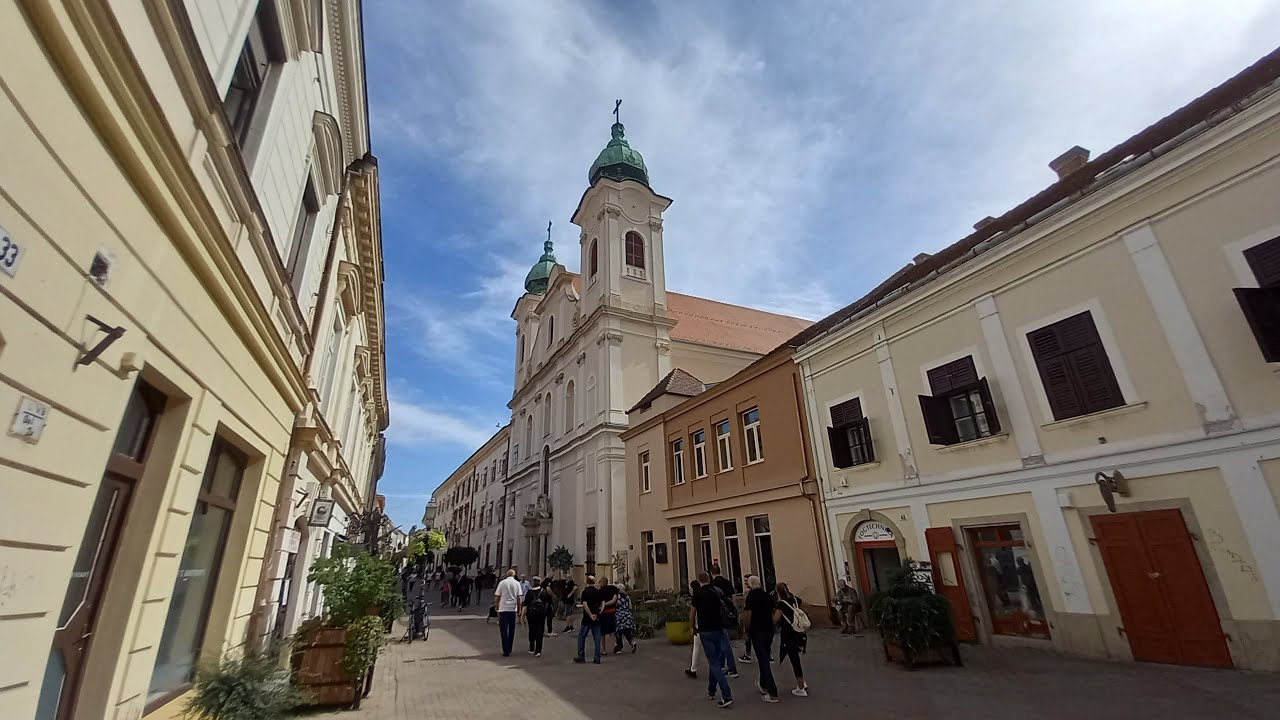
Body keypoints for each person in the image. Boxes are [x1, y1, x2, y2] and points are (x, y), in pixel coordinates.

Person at [691, 572, 734, 708]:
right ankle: (711, 689)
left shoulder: (697, 594)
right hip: (719, 629)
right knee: (716, 660)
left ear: (699, 580)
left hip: (705, 630)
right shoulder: (716, 591)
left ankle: (726, 694)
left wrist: (693, 627)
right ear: (709, 579)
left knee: (713, 662)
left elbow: (692, 613)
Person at [742, 575, 781, 702]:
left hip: (757, 631)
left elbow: (748, 615)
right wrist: (772, 623)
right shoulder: (767, 596)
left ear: (750, 584)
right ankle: (763, 685)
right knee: (764, 656)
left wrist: (747, 630)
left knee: (763, 661)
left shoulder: (751, 597)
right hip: (768, 631)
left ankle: (772, 692)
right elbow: (775, 610)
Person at [775, 582, 809, 697]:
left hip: (788, 633)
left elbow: (775, 619)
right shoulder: (795, 599)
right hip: (798, 631)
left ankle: (801, 686)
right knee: (795, 657)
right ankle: (802, 682)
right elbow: (806, 605)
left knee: (794, 659)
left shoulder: (781, 604)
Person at [708, 565, 739, 678]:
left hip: (718, 615)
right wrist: (733, 611)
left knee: (723, 642)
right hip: (727, 614)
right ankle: (722, 665)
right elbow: (733, 598)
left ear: (711, 572)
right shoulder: (727, 582)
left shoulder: (712, 585)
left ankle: (731, 667)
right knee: (722, 640)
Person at [573, 574, 604, 664]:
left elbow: (585, 605)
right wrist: (599, 611)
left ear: (587, 581)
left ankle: (581, 656)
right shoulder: (598, 592)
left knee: (582, 637)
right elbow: (603, 602)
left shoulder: (585, 592)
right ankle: (597, 658)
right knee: (597, 638)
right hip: (597, 617)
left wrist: (590, 615)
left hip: (587, 619)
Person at [494, 569, 523, 657]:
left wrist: (497, 606)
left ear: (507, 575)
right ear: (514, 575)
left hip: (503, 608)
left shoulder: (502, 583)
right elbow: (519, 598)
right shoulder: (517, 583)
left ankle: (505, 649)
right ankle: (509, 648)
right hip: (512, 609)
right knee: (511, 629)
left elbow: (497, 596)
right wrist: (519, 609)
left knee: (503, 630)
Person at [523, 576, 554, 657]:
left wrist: (522, 615)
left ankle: (531, 647)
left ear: (533, 582)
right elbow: (547, 603)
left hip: (531, 614)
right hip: (541, 615)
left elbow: (525, 604)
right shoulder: (544, 592)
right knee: (540, 631)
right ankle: (538, 650)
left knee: (532, 630)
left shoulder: (529, 592)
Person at [612, 582, 638, 654]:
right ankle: (632, 642)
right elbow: (630, 606)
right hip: (627, 614)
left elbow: (613, 604)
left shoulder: (616, 595)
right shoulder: (627, 596)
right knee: (627, 631)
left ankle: (619, 647)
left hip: (619, 615)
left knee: (619, 632)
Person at [685, 579, 704, 679]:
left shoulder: (696, 597)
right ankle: (718, 666)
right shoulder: (706, 594)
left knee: (696, 648)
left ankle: (693, 669)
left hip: (699, 626)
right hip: (710, 626)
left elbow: (693, 614)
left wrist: (692, 626)